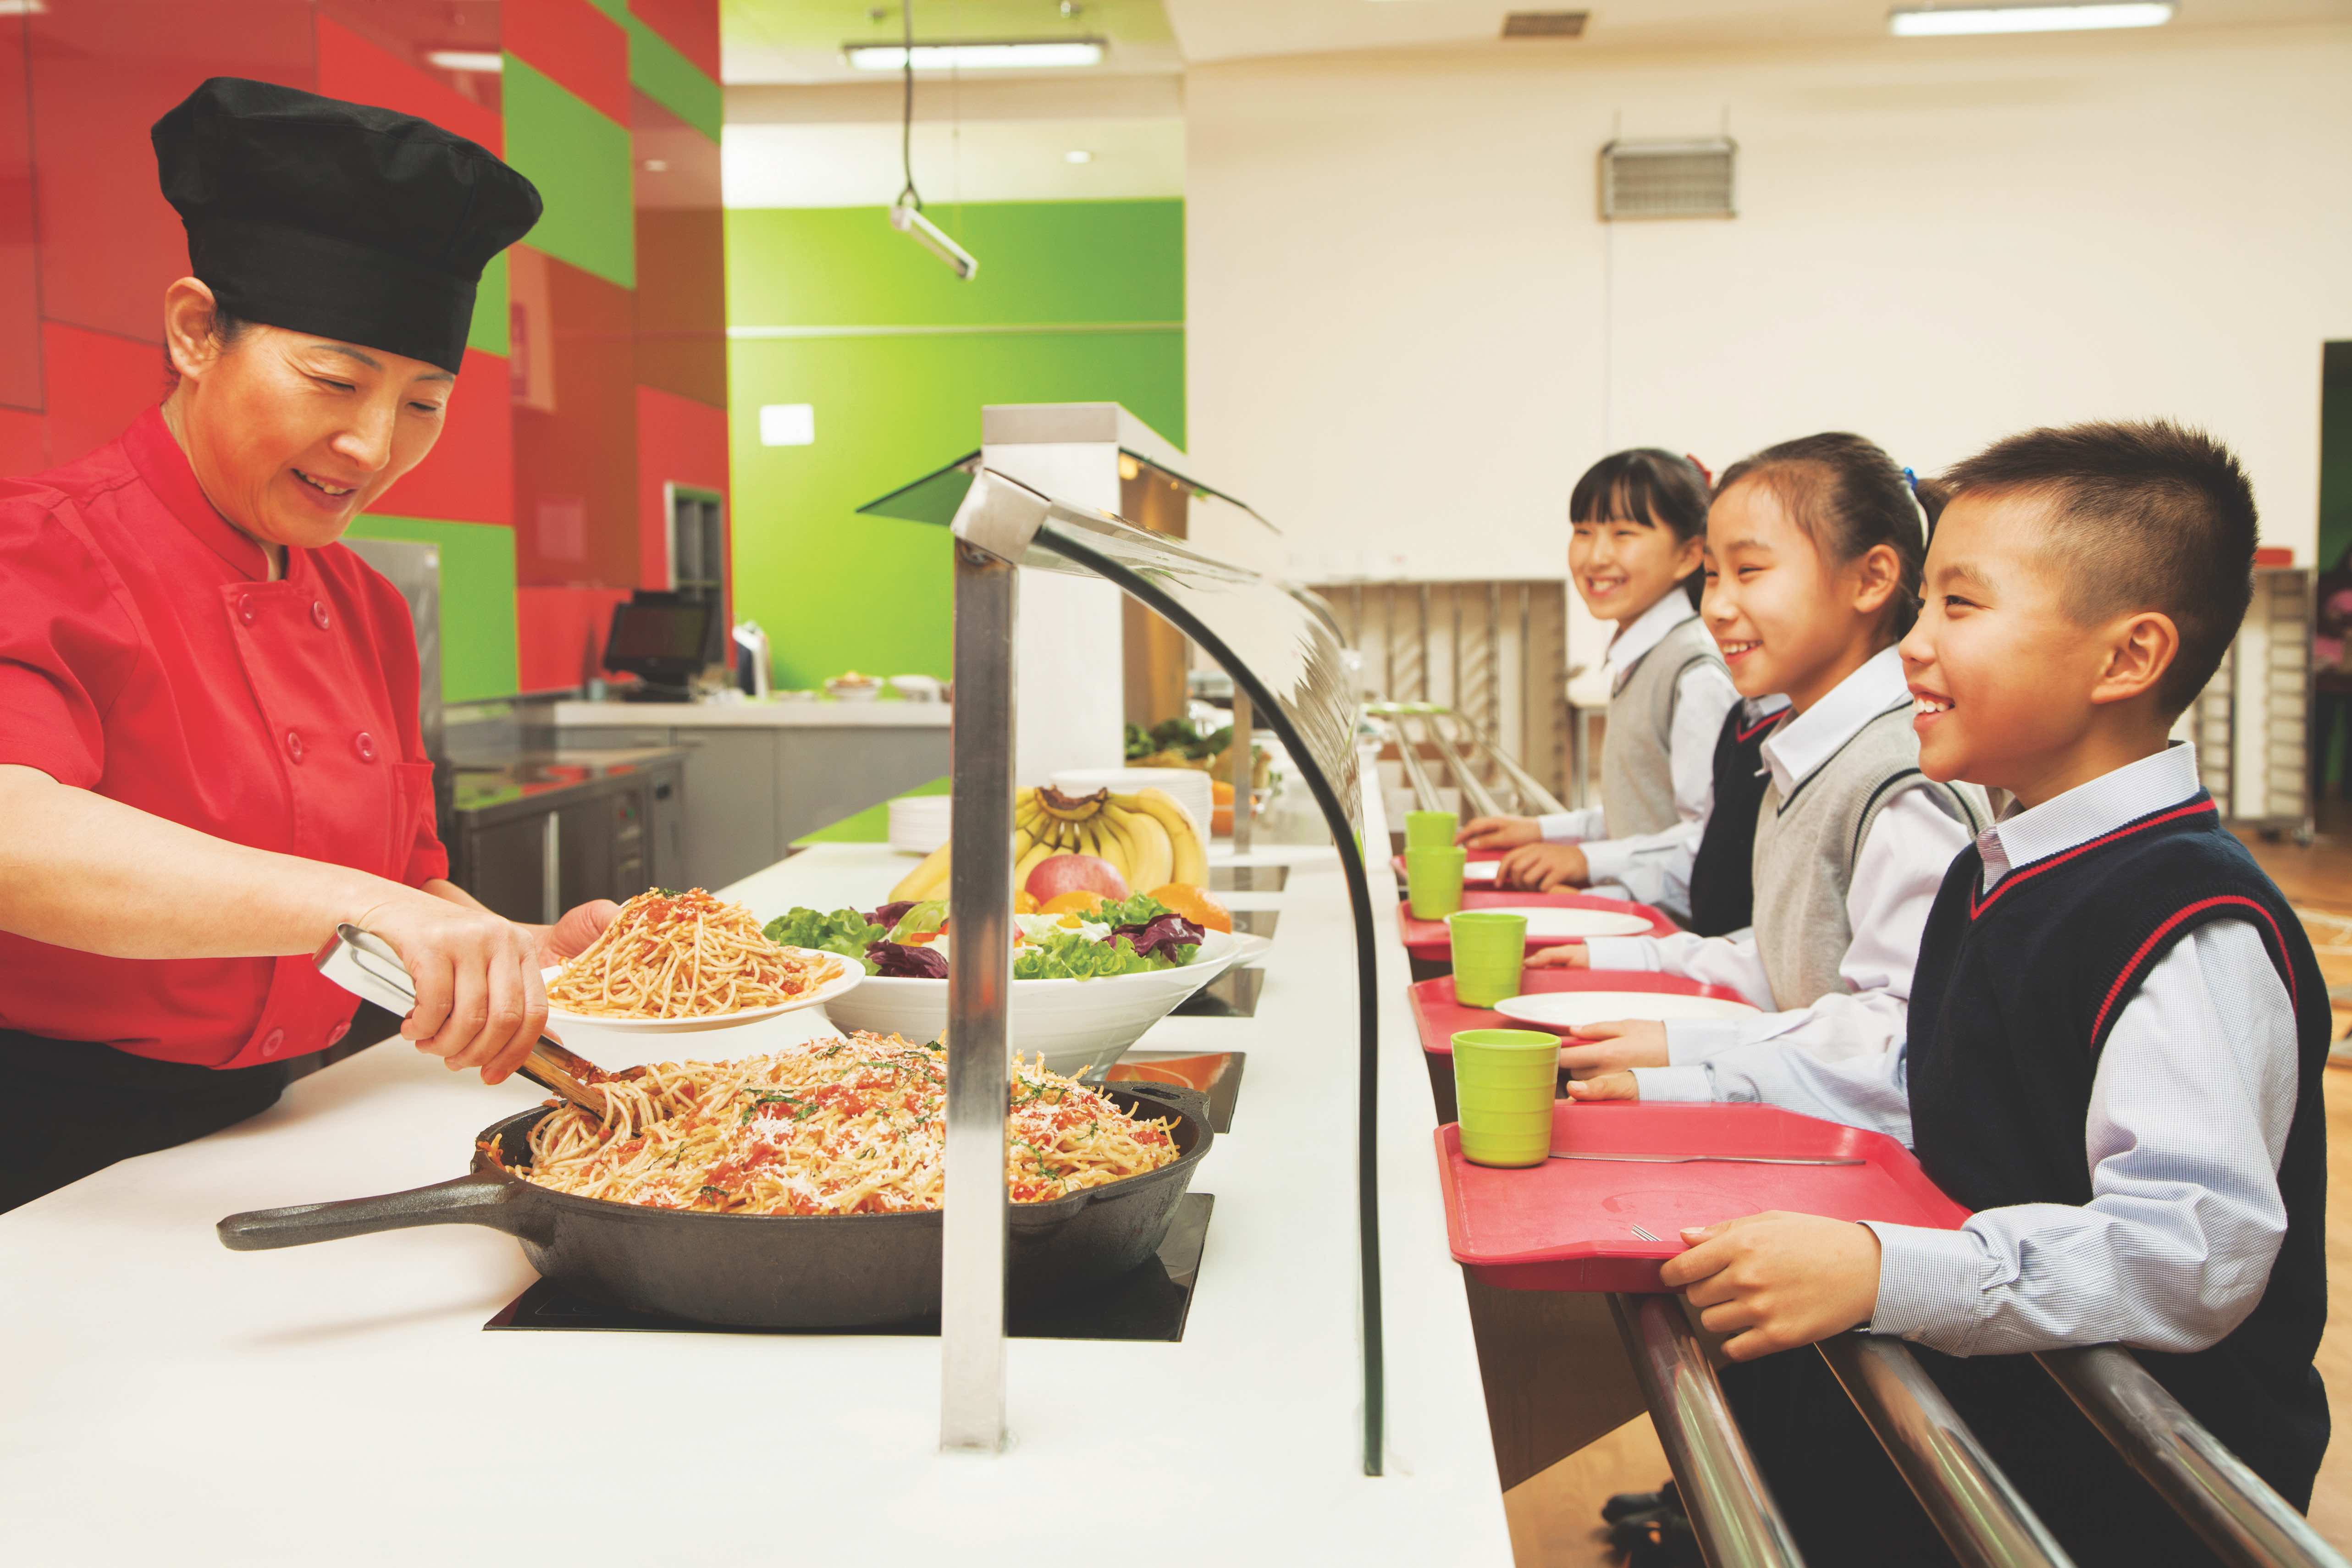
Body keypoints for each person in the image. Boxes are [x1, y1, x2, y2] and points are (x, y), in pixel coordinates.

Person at [1572, 421, 2330, 1568]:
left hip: (2126, 1495)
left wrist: (1884, 1268)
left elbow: (2189, 1249)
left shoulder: (2187, 916)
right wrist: (1682, 1070)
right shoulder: (2009, 864)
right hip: (2004, 1422)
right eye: (1921, 605)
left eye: (1957, 609)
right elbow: (1912, 1068)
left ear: (2122, 657)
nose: (1913, 648)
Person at [0, 79, 615, 1213]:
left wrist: (507, 947)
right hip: (50, 1153)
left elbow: (397, 884)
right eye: (334, 381)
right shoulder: (37, 545)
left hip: (294, 1112)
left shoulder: (367, 604)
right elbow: (13, 831)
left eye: (424, 403)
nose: (373, 445)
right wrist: (378, 907)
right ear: (196, 332)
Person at [1533, 434, 1987, 1076]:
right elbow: (1786, 959)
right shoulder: (1808, 752)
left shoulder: (1900, 780)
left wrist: (1691, 1054)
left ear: (1871, 578)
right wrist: (1639, 959)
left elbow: (1903, 1033)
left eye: (1748, 572)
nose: (1716, 606)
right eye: (1713, 574)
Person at [1457, 450, 1739, 924]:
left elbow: (1707, 838)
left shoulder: (1695, 672)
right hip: (1642, 919)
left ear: (1689, 554)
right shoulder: (1642, 652)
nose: (1596, 555)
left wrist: (1586, 861)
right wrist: (1539, 830)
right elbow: (1642, 812)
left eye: (1624, 534)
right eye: (1583, 532)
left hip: (1676, 938)